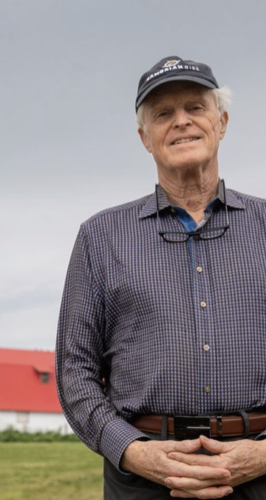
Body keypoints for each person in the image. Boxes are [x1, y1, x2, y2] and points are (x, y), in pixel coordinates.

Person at [55, 56, 266, 499]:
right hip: (144, 479)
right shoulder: (101, 237)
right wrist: (132, 451)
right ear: (144, 137)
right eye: (163, 114)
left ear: (221, 122)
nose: (181, 122)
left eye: (195, 107)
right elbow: (75, 371)